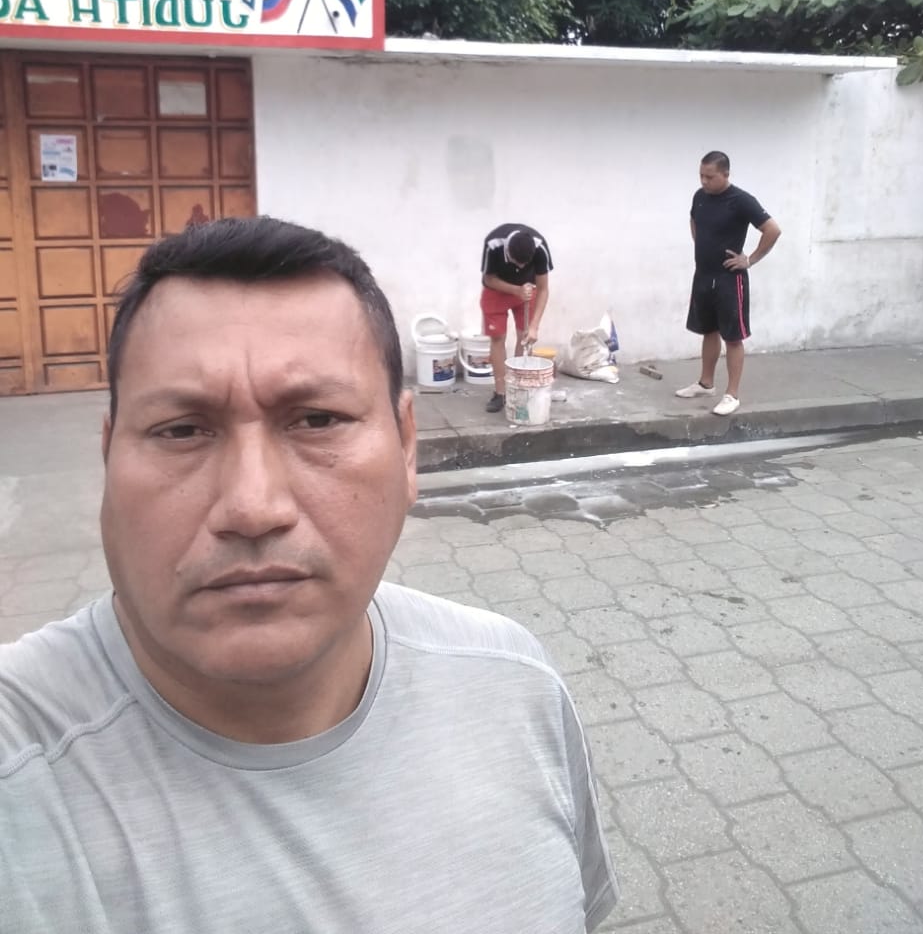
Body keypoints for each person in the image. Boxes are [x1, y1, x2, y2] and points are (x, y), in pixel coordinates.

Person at [0, 217, 616, 933]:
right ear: (109, 458)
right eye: (181, 430)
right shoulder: (22, 765)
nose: (252, 507)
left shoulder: (514, 687)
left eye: (317, 420)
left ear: (407, 449)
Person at [676, 151, 781, 416]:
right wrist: (702, 245)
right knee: (708, 330)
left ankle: (732, 394)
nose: (704, 181)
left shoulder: (741, 200)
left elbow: (772, 230)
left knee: (732, 337)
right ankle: (705, 384)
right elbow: (694, 220)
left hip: (729, 279)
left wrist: (750, 260)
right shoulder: (700, 197)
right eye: (701, 175)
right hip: (703, 275)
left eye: (710, 177)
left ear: (725, 174)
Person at [480, 222, 553, 413]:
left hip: (527, 291)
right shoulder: (494, 244)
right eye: (516, 263)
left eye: (525, 264)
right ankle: (501, 393)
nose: (520, 267)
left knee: (526, 336)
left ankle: (519, 387)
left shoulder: (540, 248)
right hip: (497, 290)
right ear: (507, 252)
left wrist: (535, 326)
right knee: (497, 337)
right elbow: (488, 279)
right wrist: (515, 290)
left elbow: (543, 289)